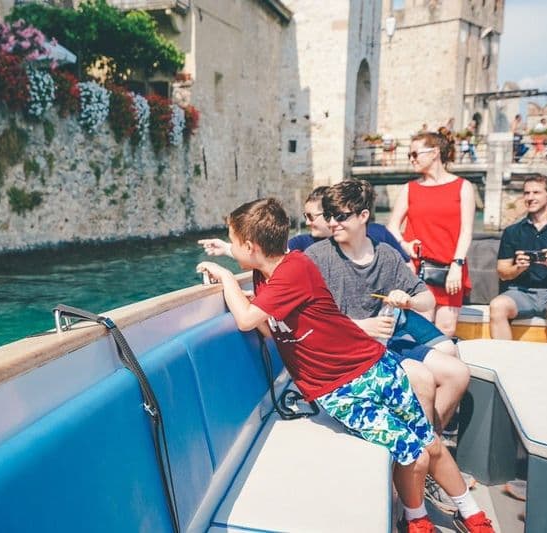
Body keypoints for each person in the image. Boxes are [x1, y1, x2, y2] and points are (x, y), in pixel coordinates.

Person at [196, 198, 494, 533]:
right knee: (415, 452)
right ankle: (417, 521)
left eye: (232, 242)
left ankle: (472, 515)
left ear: (250, 246)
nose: (230, 247)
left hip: (374, 367)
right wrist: (232, 263)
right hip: (340, 390)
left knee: (430, 444)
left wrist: (225, 277)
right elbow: (268, 326)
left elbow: (248, 320)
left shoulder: (293, 270)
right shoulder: (265, 275)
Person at [308, 181, 473, 514]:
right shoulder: (318, 256)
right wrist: (361, 327)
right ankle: (416, 478)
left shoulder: (385, 255)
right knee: (422, 380)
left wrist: (407, 300)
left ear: (364, 215)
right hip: (352, 354)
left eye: (340, 216)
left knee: (457, 373)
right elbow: (312, 318)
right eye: (329, 216)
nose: (332, 223)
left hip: (386, 346)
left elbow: (426, 298)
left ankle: (424, 464)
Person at [387, 131, 475, 338]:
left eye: (415, 154)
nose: (411, 159)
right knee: (420, 329)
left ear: (435, 152)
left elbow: (467, 230)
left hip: (451, 269)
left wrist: (457, 264)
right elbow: (391, 226)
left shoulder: (463, 187)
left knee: (447, 328)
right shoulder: (409, 189)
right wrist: (405, 245)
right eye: (410, 155)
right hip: (417, 271)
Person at [199, 186, 411, 264]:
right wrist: (227, 248)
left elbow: (406, 266)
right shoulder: (305, 244)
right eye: (305, 216)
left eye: (312, 217)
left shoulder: (377, 234)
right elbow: (268, 254)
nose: (308, 223)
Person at [489, 175, 547, 343]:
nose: (530, 197)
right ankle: (504, 364)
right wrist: (518, 268)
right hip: (521, 292)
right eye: (526, 193)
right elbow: (503, 272)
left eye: (536, 192)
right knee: (497, 306)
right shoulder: (513, 231)